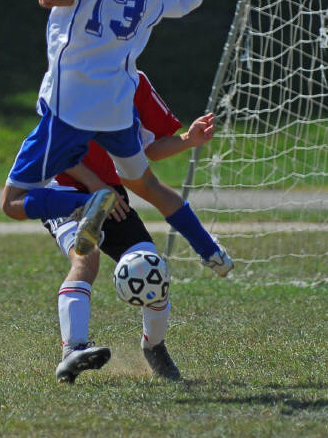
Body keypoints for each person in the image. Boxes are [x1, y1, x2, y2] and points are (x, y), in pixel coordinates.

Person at [2, 0, 227, 272]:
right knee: (147, 184)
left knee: (12, 202)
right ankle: (211, 251)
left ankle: (85, 204)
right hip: (117, 112)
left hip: (70, 109)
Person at [43, 72, 231, 383]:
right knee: (86, 258)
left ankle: (153, 346)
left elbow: (149, 148)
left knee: (150, 265)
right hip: (63, 189)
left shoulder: (135, 80)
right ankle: (73, 350)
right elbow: (53, 147)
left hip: (110, 194)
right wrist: (97, 186)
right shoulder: (70, 75)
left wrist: (188, 139)